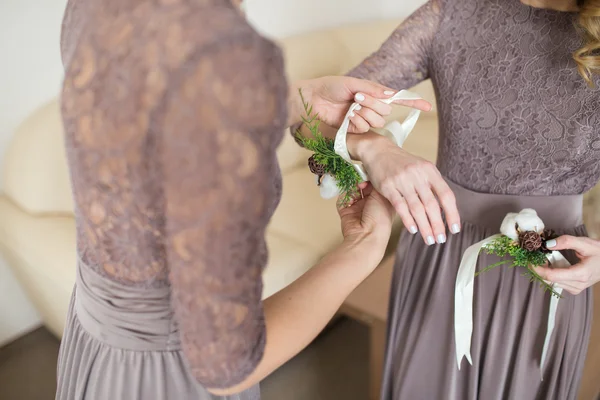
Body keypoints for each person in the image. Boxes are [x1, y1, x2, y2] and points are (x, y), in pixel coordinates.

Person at [55, 0, 432, 399]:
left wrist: (300, 97)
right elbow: (228, 368)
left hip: (97, 341)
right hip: (165, 377)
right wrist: (363, 247)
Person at [297, 0, 599, 398]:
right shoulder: (451, 14)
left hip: (550, 276)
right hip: (441, 254)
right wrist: (374, 149)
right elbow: (306, 120)